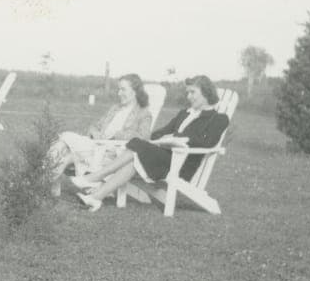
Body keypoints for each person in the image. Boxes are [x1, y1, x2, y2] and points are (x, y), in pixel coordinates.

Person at [72, 75, 228, 212]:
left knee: (137, 145)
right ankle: (95, 197)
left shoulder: (218, 119)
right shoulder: (184, 113)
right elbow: (161, 132)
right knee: (134, 156)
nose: (189, 96)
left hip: (181, 164)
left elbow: (207, 143)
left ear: (206, 92)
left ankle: (95, 177)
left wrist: (177, 137)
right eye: (188, 92)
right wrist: (161, 138)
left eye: (193, 92)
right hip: (165, 158)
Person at [49, 74, 154, 195]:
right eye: (118, 89)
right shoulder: (115, 109)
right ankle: (47, 179)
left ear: (135, 91)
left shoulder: (144, 114)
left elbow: (143, 138)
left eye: (123, 89)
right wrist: (95, 133)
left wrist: (116, 134)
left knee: (66, 144)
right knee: (64, 143)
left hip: (113, 152)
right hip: (95, 145)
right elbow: (94, 126)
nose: (119, 93)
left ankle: (41, 178)